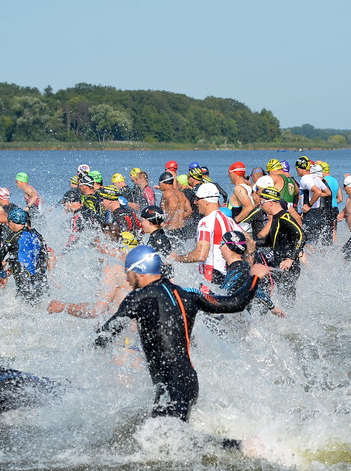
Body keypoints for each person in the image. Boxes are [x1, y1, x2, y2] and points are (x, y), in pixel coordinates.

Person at [93, 245, 268, 425]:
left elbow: (106, 334)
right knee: (166, 440)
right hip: (188, 381)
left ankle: (240, 446)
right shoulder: (187, 294)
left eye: (128, 272)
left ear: (140, 271)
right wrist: (254, 277)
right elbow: (235, 303)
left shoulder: (138, 297)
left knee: (167, 439)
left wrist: (85, 353)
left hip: (172, 384)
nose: (127, 279)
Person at [172, 183, 241, 286]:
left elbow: (200, 255)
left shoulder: (206, 222)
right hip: (227, 277)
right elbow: (250, 243)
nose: (195, 202)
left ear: (207, 201)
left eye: (197, 199)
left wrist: (177, 258)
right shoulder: (229, 221)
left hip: (210, 277)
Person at [0, 208, 53, 304]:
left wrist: (3, 275)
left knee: (25, 308)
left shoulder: (13, 237)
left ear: (13, 222)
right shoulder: (37, 235)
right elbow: (40, 256)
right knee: (41, 306)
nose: (7, 224)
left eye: (8, 221)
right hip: (41, 280)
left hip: (24, 281)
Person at [255, 187, 304, 300]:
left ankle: (291, 315)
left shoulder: (284, 217)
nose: (260, 206)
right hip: (278, 261)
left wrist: (290, 259)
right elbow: (269, 243)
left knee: (287, 295)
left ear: (271, 203)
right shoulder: (275, 219)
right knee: (280, 294)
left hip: (288, 264)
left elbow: (301, 236)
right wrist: (252, 241)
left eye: (262, 202)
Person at [158, 171, 191, 242]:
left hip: (171, 230)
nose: (159, 185)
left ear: (163, 183)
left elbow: (173, 205)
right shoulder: (181, 193)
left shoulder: (167, 192)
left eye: (159, 183)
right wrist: (179, 217)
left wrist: (167, 222)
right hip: (182, 229)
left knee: (170, 252)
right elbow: (189, 211)